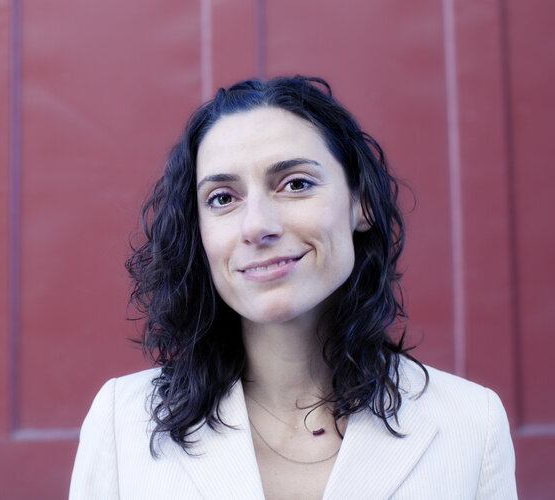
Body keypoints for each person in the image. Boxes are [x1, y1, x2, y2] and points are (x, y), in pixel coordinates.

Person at [69, 76, 517, 499]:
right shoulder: (122, 421)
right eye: (222, 198)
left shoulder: (471, 424)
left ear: (360, 203)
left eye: (296, 184)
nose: (258, 226)